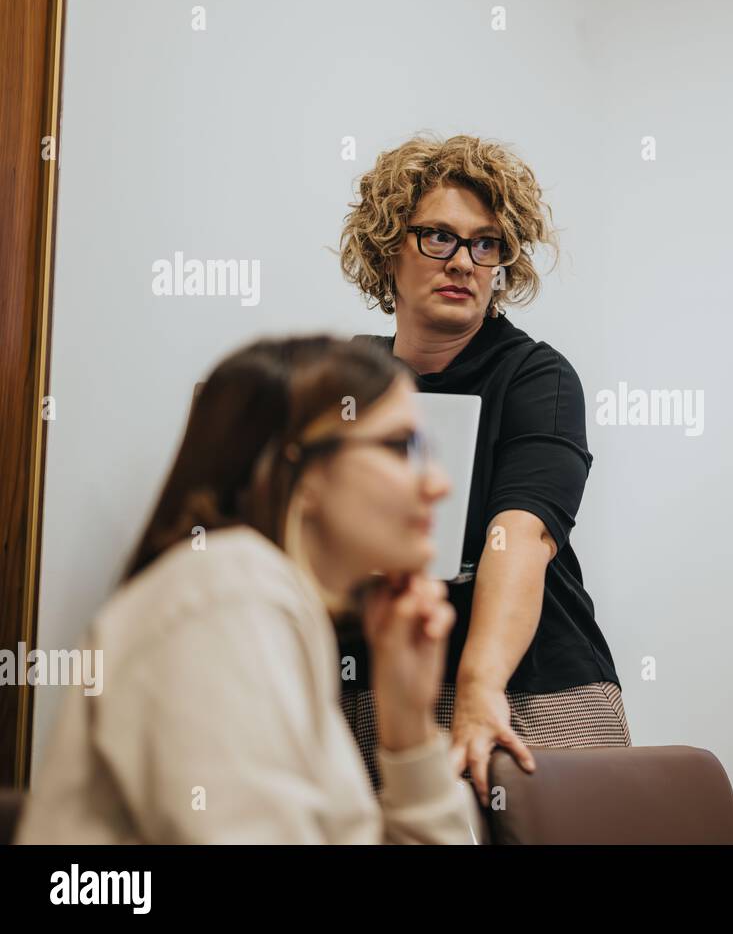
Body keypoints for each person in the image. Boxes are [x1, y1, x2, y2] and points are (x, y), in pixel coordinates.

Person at [17, 336, 473, 843]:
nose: (439, 483)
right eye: (402, 448)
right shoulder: (228, 593)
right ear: (299, 465)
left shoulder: (266, 601)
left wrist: (409, 726)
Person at [339, 134, 628, 806]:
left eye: (486, 243)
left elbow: (519, 535)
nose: (463, 261)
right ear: (388, 249)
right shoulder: (347, 379)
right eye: (438, 237)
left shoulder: (537, 377)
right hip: (377, 689)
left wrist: (478, 688)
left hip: (530, 689)